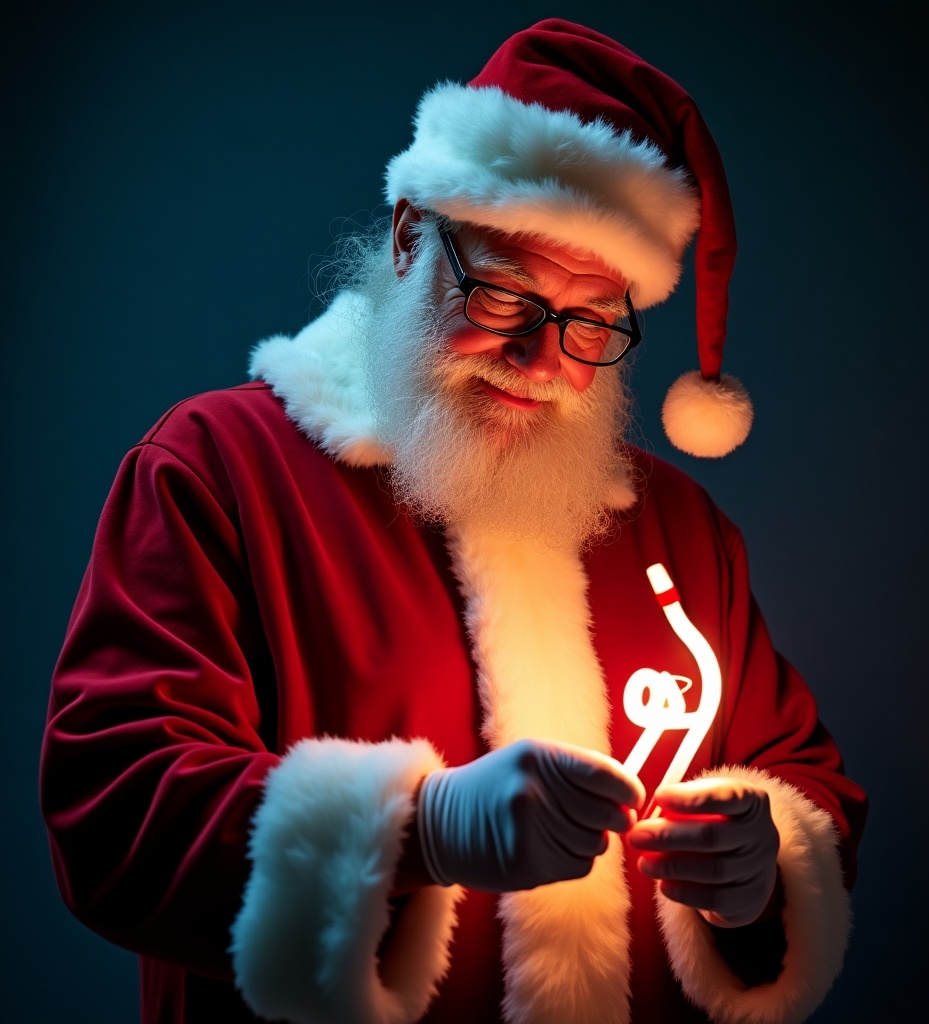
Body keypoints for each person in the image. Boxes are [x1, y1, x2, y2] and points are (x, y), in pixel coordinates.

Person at [40, 19, 867, 1024]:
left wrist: (763, 863)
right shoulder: (217, 470)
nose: (540, 355)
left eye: (591, 318)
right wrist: (416, 827)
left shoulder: (681, 529)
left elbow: (799, 771)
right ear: (406, 237)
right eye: (505, 288)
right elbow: (113, 804)